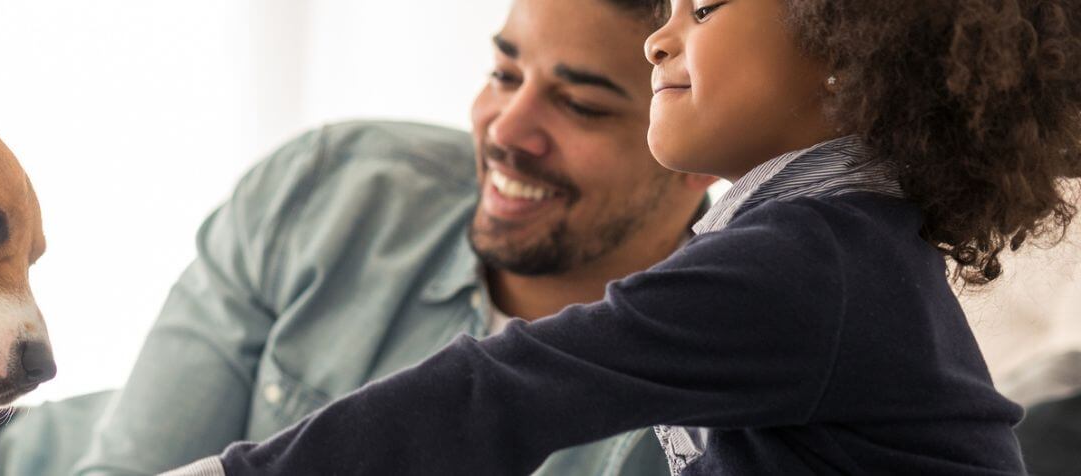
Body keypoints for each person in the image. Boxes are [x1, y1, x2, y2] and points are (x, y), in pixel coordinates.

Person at [0, 0, 705, 474]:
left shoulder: (696, 393)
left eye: (581, 104)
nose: (506, 129)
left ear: (695, 154)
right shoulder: (337, 185)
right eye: (504, 74)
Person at [170, 0, 1079, 473]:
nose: (659, 41)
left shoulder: (810, 263)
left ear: (844, 47)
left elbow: (502, 391)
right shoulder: (830, 243)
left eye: (704, 8)